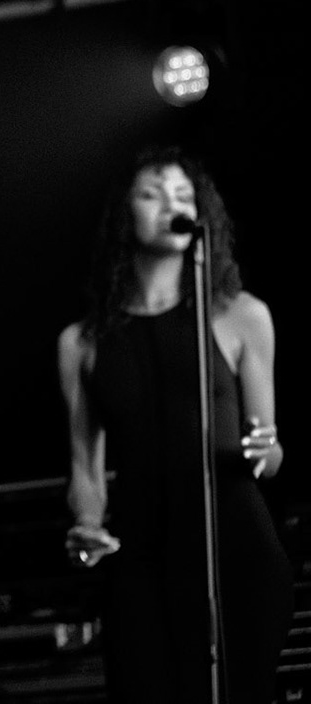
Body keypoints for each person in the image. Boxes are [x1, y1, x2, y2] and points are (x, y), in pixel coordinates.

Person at [57, 149, 291, 703]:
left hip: (233, 542)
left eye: (184, 196)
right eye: (152, 194)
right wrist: (87, 525)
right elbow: (84, 467)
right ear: (123, 215)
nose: (172, 205)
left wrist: (266, 449)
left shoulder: (240, 315)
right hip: (142, 552)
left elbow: (271, 451)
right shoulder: (81, 342)